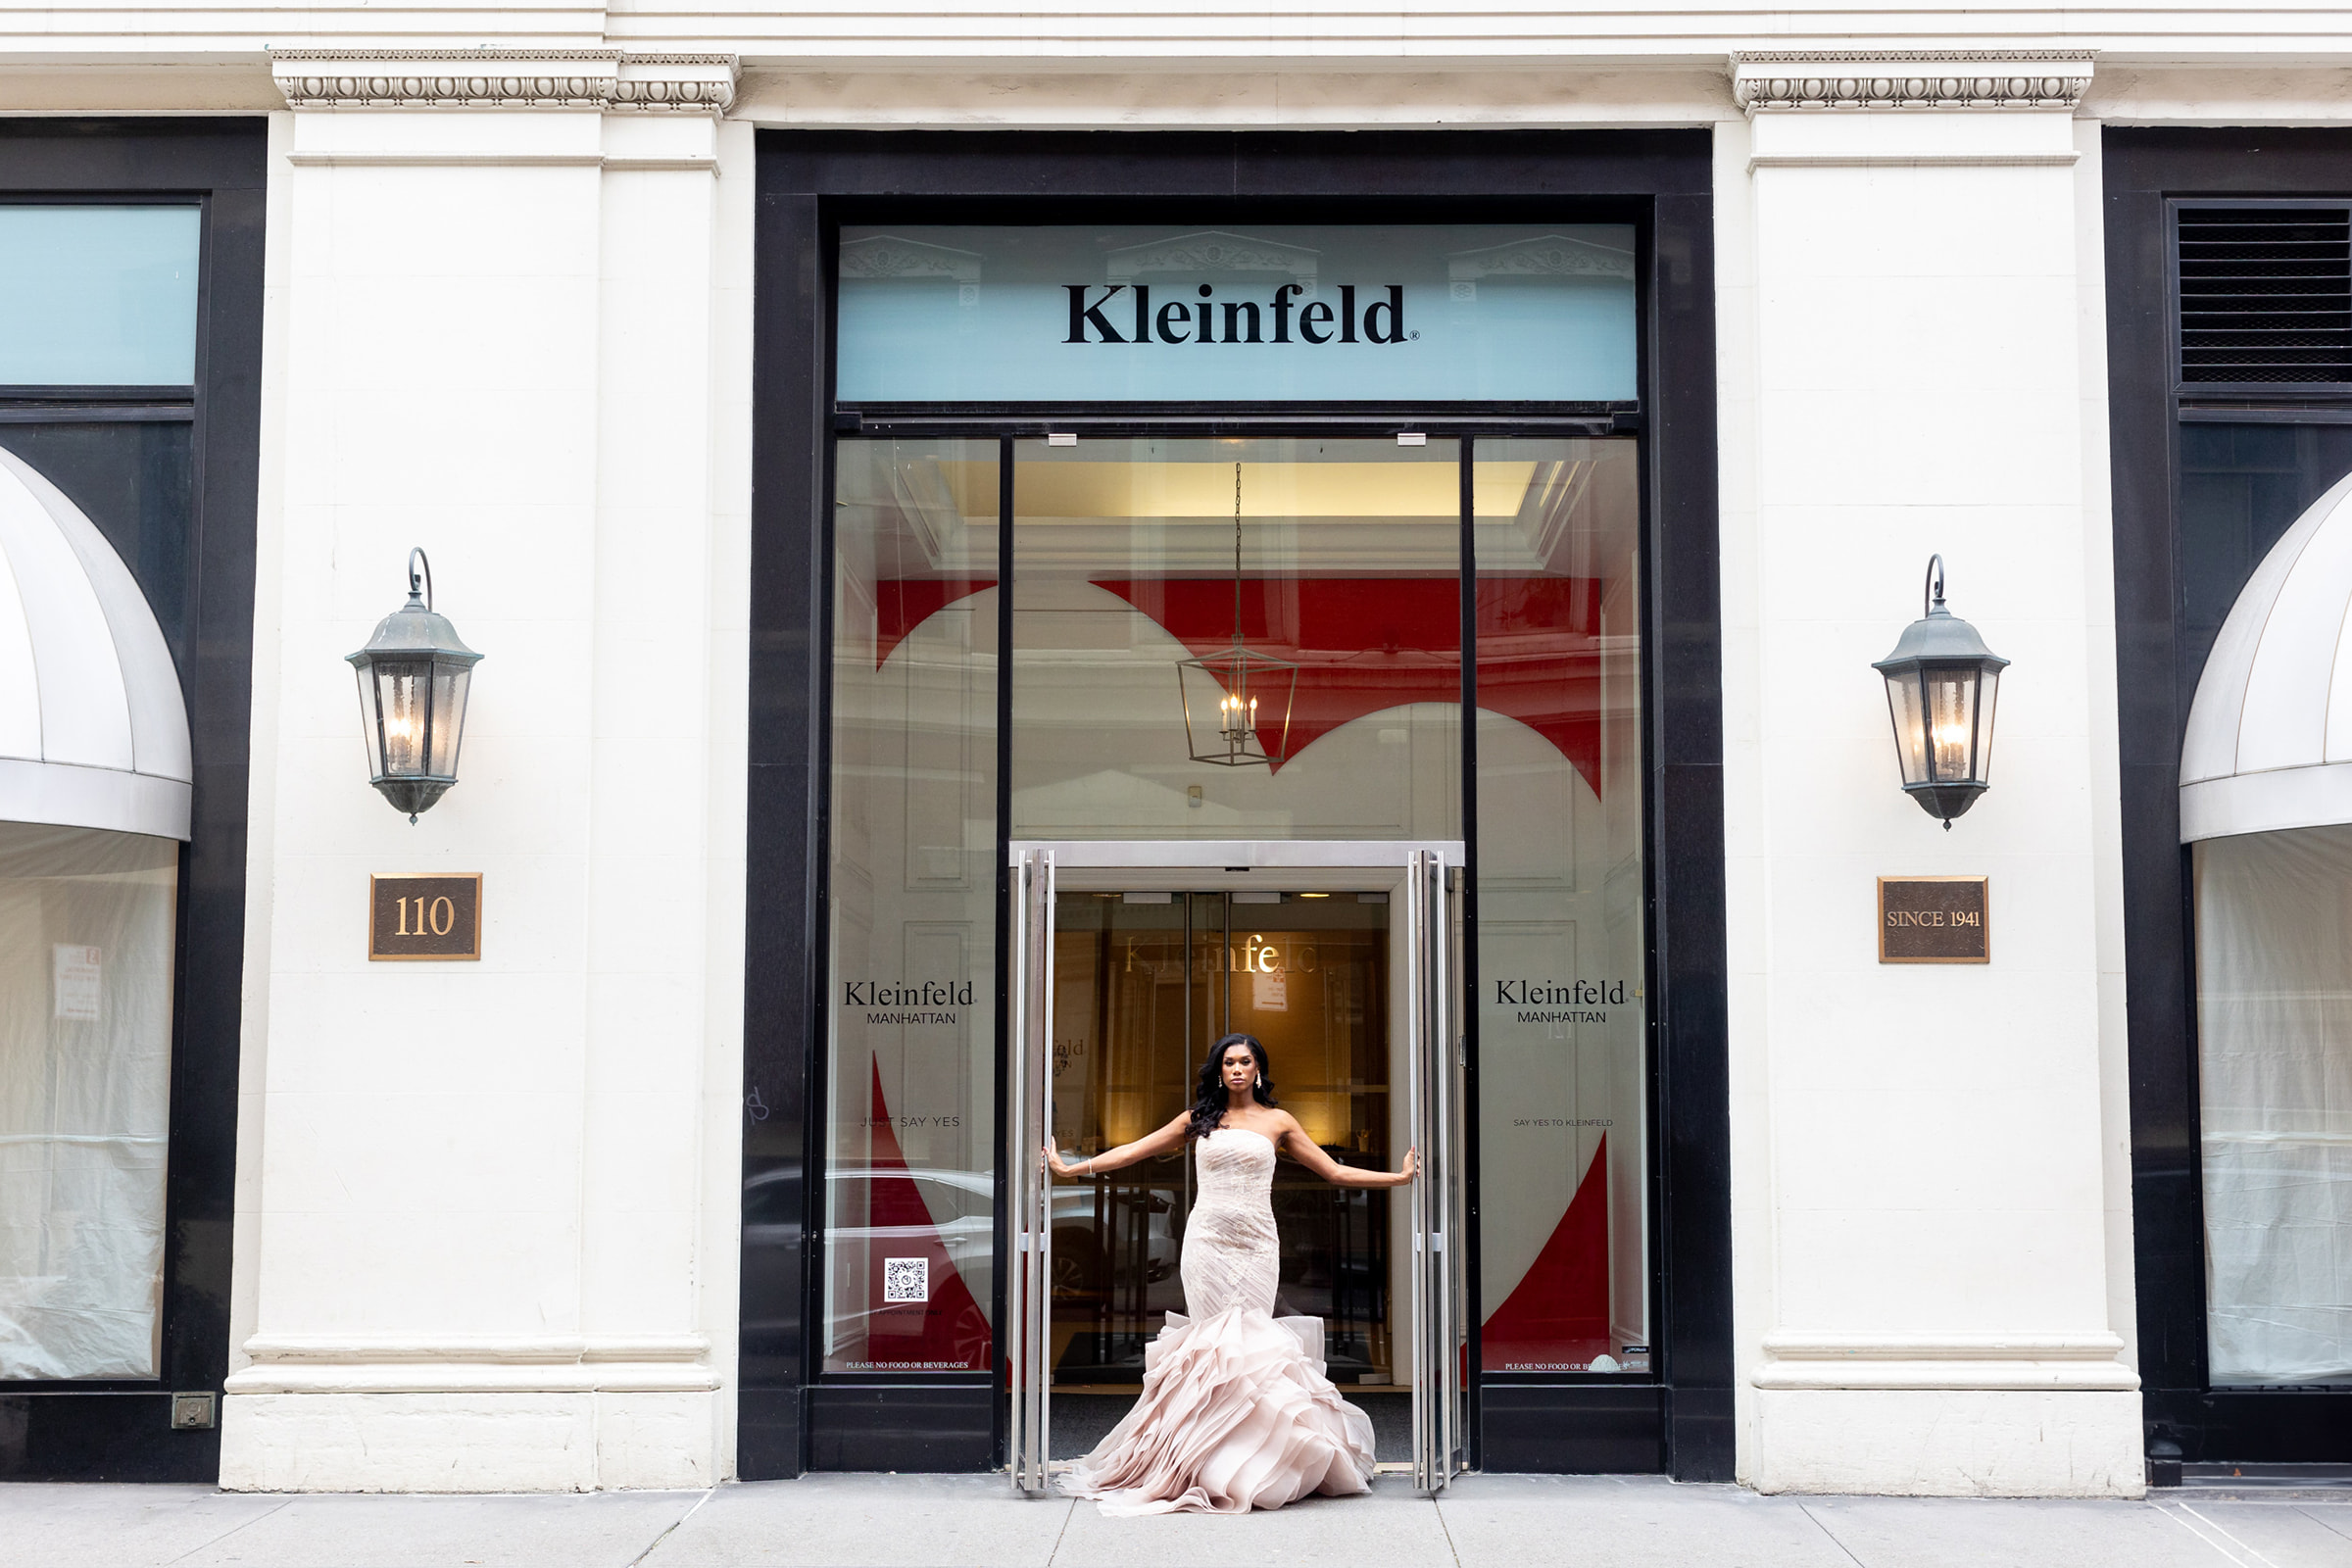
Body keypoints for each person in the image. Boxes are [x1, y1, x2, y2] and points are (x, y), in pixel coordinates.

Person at [1045, 1031, 1417, 1515]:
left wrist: (1400, 1178)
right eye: (1228, 1062)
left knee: (1253, 1346)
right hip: (1208, 1244)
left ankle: (1253, 1464)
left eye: (1244, 1061)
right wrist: (1073, 1169)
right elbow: (1136, 1149)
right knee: (1213, 1348)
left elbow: (1334, 1172)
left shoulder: (1279, 1121)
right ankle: (1202, 1462)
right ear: (1218, 1071)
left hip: (1257, 1244)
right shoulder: (1199, 1120)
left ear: (1258, 1068)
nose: (1236, 1069)